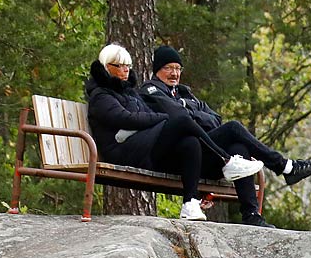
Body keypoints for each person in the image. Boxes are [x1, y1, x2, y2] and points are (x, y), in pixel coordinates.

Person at [140, 45, 311, 227]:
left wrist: (187, 106)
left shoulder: (184, 93)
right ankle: (285, 167)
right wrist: (190, 110)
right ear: (157, 70)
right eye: (168, 68)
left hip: (199, 158)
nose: (174, 73)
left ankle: (251, 214)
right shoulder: (150, 90)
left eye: (178, 68)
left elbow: (215, 120)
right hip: (174, 157)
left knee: (238, 148)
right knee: (233, 127)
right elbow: (180, 117)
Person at [84, 43, 251, 221]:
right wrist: (163, 117)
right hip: (123, 152)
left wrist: (159, 117)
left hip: (140, 146)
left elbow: (144, 116)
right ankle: (226, 159)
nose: (125, 70)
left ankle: (191, 203)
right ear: (106, 67)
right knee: (182, 121)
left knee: (191, 142)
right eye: (120, 66)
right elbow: (127, 118)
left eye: (128, 66)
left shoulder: (130, 93)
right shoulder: (101, 96)